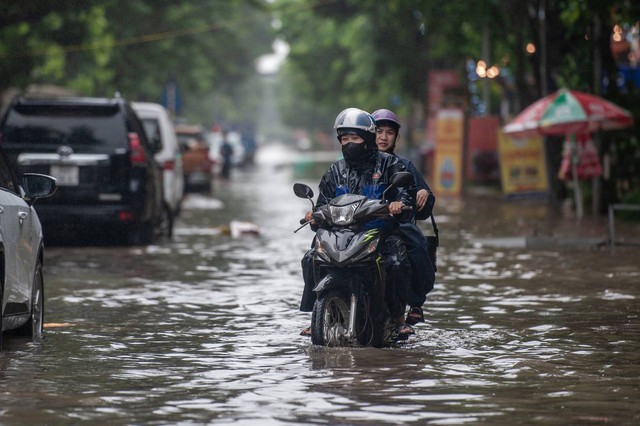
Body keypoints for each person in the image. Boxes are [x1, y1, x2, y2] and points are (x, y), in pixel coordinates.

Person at [299, 107, 415, 338]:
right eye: (345, 138)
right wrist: (314, 214)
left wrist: (398, 204)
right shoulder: (335, 170)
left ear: (368, 139)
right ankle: (316, 314)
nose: (350, 143)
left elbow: (405, 193)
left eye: (356, 137)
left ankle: (398, 318)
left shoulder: (388, 164)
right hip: (340, 234)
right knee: (311, 257)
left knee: (397, 263)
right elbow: (323, 202)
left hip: (378, 234)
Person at [372, 108, 436, 326]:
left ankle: (415, 304)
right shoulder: (357, 164)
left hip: (397, 226)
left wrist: (423, 194)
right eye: (378, 131)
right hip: (363, 226)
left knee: (417, 247)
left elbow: (424, 202)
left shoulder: (404, 165)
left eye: (389, 133)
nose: (383, 137)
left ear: (396, 137)